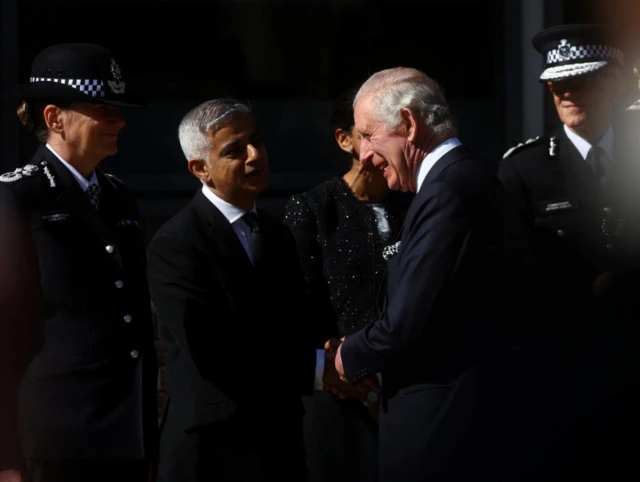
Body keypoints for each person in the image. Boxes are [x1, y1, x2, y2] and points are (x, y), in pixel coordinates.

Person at [325, 67, 530, 482]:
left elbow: (406, 321)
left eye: (368, 135)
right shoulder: (461, 178)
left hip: (443, 431)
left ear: (409, 124)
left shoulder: (446, 191)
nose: (364, 154)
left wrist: (349, 354)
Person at [147, 98, 360, 482]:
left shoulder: (276, 234)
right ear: (200, 169)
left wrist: (333, 353)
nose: (254, 155)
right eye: (234, 150)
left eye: (257, 141)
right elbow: (213, 350)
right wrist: (317, 367)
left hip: (278, 443)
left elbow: (294, 322)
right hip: (214, 451)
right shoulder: (176, 242)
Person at [0, 43, 158, 482]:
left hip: (122, 442)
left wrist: (146, 440)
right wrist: (6, 457)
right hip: (52, 445)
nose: (120, 121)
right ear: (54, 118)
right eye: (102, 109)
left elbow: (137, 334)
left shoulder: (117, 195)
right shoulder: (17, 198)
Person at [498, 24, 640, 480]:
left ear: (616, 82)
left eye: (582, 80)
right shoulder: (523, 169)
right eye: (557, 83)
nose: (567, 92)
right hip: (563, 373)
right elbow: (507, 275)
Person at [283, 89, 411, 482]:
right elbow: (299, 305)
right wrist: (340, 370)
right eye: (366, 134)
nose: (378, 145)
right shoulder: (313, 208)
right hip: (340, 392)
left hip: (409, 387)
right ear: (345, 140)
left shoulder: (415, 201)